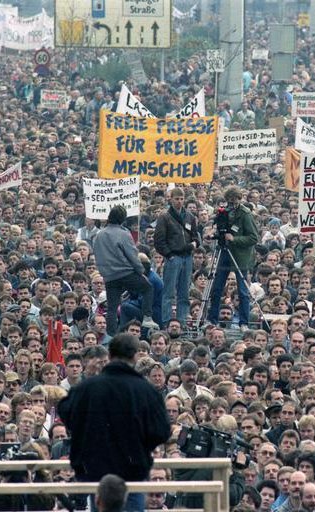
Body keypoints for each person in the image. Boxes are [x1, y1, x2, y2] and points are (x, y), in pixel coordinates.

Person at [58, 333, 170, 512]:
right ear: (135, 356)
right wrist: (142, 444)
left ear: (109, 356)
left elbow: (65, 410)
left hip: (95, 469)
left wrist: (86, 433)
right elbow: (162, 431)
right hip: (133, 469)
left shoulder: (88, 387)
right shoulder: (145, 390)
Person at [92, 205, 158, 334]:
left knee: (112, 307)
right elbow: (132, 255)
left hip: (109, 276)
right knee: (148, 287)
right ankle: (147, 317)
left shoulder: (98, 236)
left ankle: (111, 334)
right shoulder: (123, 234)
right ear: (122, 219)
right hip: (125, 273)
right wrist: (141, 272)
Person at [207, 186, 258, 329]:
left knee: (242, 291)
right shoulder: (224, 212)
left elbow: (253, 237)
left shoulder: (245, 214)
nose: (232, 203)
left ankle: (244, 322)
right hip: (224, 253)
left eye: (234, 200)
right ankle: (212, 319)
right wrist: (213, 234)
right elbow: (220, 229)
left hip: (240, 257)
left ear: (239, 199)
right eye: (229, 201)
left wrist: (235, 239)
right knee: (217, 287)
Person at [154, 187, 200, 328]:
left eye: (181, 199)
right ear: (171, 199)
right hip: (174, 257)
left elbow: (195, 236)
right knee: (168, 292)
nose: (179, 202)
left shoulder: (190, 217)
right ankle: (166, 322)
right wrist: (169, 255)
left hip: (187, 257)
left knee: (184, 292)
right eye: (176, 199)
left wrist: (194, 244)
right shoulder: (164, 217)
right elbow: (159, 241)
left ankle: (182, 323)